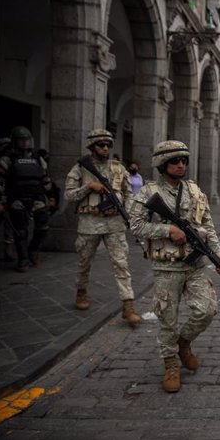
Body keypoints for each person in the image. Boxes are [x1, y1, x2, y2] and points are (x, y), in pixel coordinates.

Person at [129, 140, 220, 393]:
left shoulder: (195, 191)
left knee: (206, 309)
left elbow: (209, 224)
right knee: (167, 319)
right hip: (166, 267)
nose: (181, 165)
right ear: (162, 165)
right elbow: (136, 225)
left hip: (194, 265)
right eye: (174, 161)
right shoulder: (149, 192)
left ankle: (184, 343)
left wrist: (219, 256)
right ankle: (171, 363)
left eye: (183, 160)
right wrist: (167, 230)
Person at [64, 129, 142, 326]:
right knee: (84, 262)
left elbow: (129, 192)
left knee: (121, 264)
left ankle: (128, 304)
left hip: (114, 223)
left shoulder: (118, 168)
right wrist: (88, 187)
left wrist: (129, 211)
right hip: (89, 223)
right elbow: (69, 196)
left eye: (108, 145)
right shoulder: (80, 169)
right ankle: (81, 291)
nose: (105, 148)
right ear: (92, 147)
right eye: (101, 145)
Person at [0, 127, 55, 271]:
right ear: (15, 142)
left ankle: (33, 250)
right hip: (17, 198)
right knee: (20, 231)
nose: (25, 143)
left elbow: (46, 179)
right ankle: (23, 259)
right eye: (22, 141)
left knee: (43, 227)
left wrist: (52, 197)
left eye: (27, 140)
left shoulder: (37, 158)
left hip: (37, 197)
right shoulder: (8, 158)